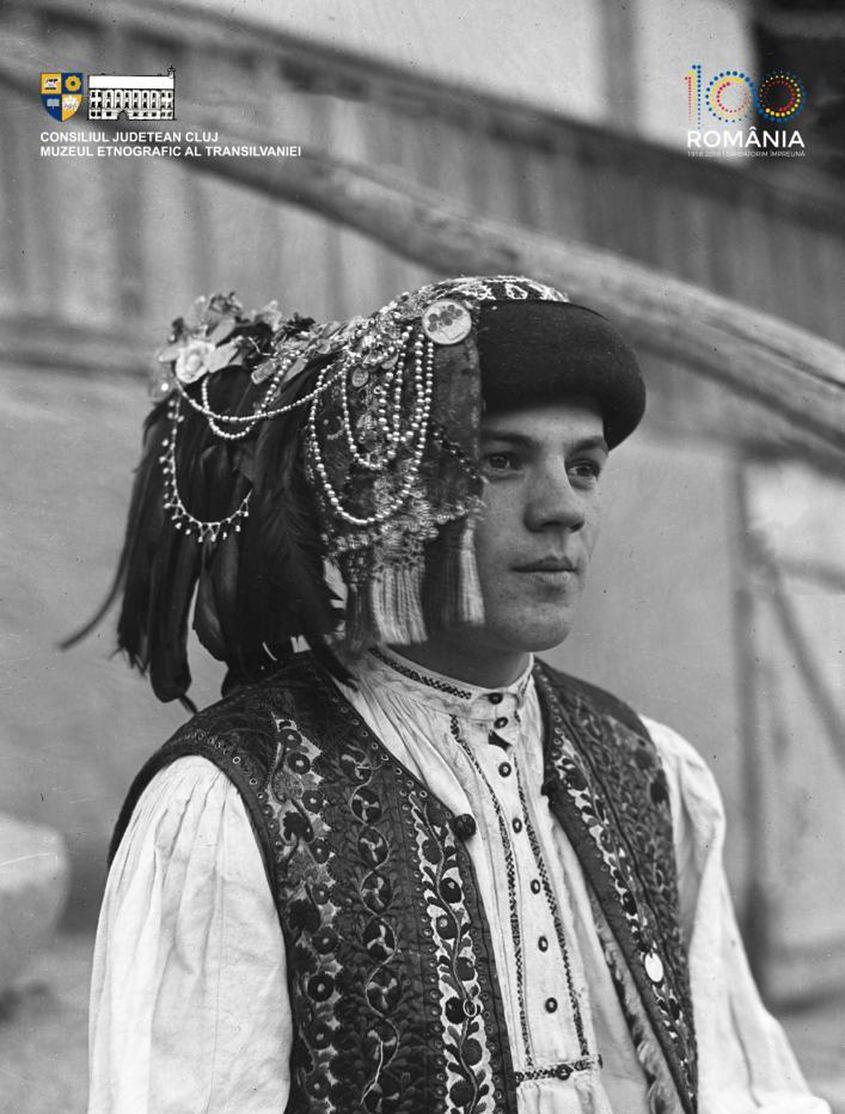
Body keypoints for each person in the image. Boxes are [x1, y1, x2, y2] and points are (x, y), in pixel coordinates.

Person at [85, 275, 829, 1113]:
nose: (563, 509)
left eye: (583, 466)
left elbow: (738, 1085)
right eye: (499, 462)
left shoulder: (649, 768)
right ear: (383, 498)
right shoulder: (229, 805)